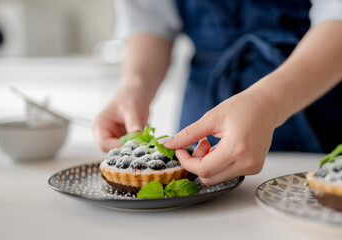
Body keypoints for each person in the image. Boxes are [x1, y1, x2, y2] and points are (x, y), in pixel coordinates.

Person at [93, 0, 342, 185]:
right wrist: (134, 86)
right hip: (206, 101)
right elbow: (150, 20)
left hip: (315, 94)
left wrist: (269, 102)